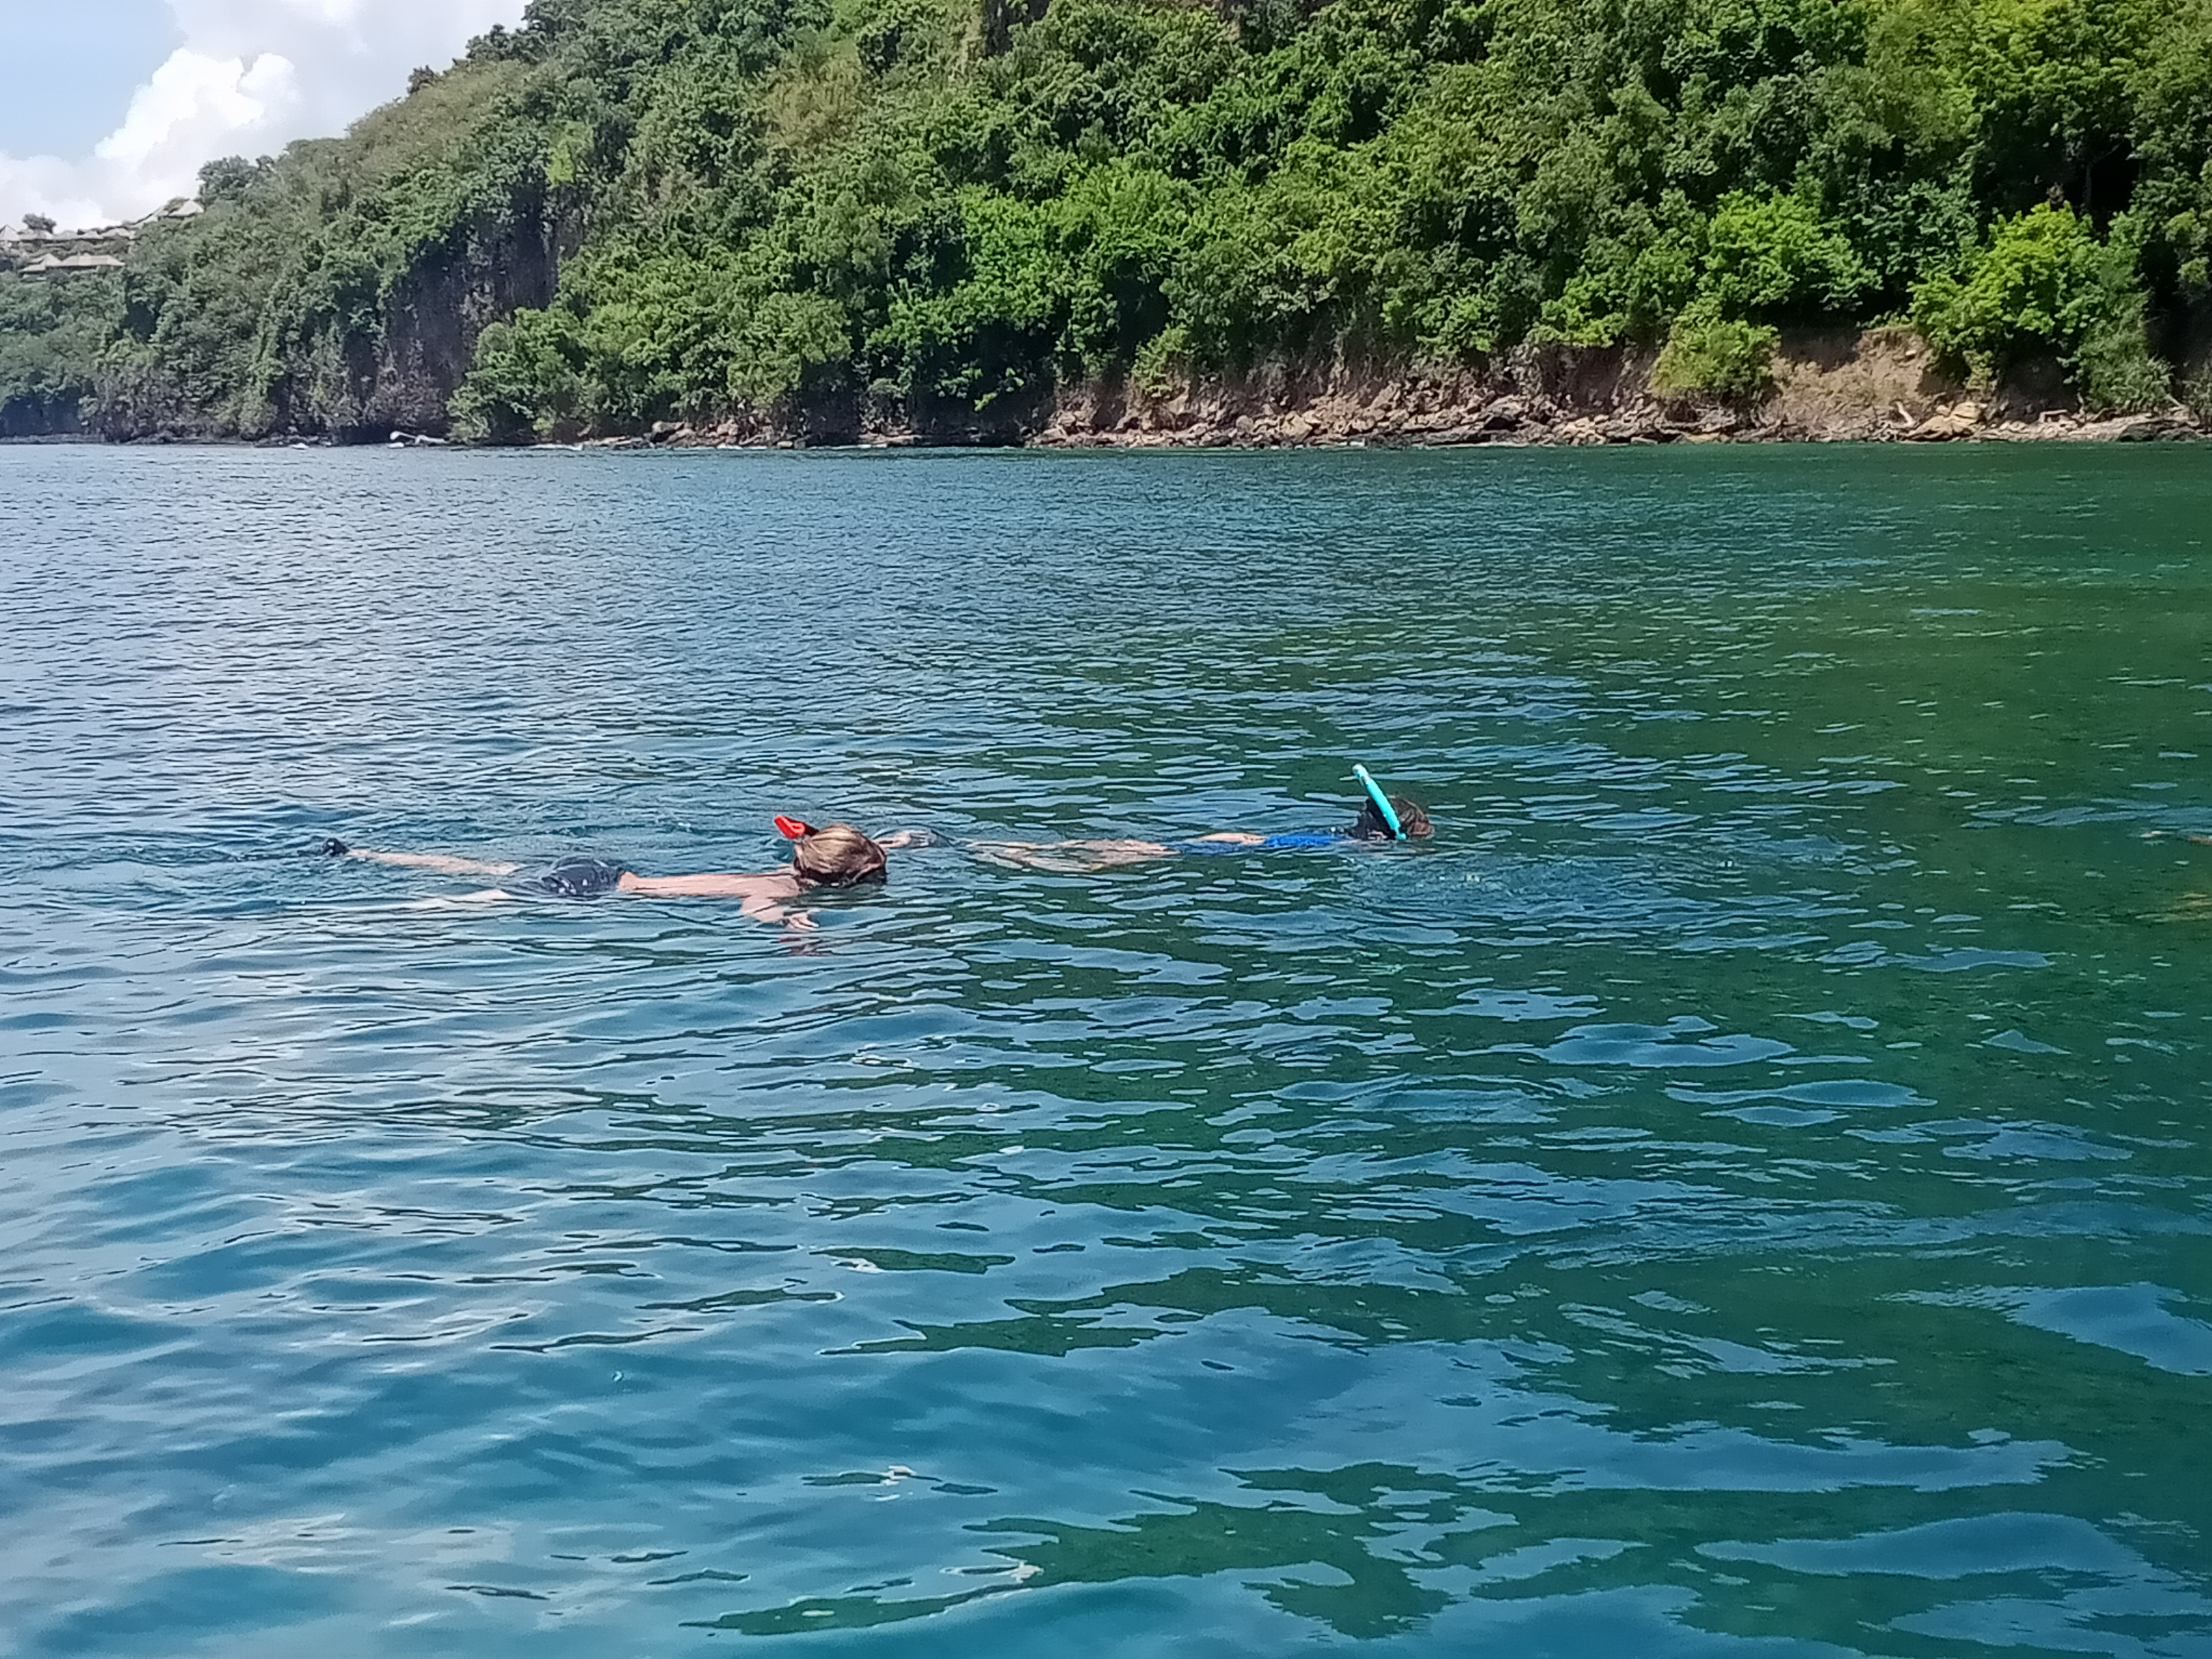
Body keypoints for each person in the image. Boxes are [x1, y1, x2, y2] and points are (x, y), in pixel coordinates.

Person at [323, 817, 922, 927]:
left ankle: (363, 854)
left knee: (475, 868)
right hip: (587, 892)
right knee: (455, 905)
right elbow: (755, 908)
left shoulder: (783, 868)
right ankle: (348, 915)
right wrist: (794, 929)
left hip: (603, 871)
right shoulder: (781, 892)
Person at [972, 791, 1432, 872]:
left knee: (1149, 849)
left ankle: (1030, 853)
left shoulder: (1364, 842)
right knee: (1149, 849)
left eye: (1367, 810)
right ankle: (1030, 853)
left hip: (1252, 844)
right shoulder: (1363, 843)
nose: (1359, 811)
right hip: (1254, 845)